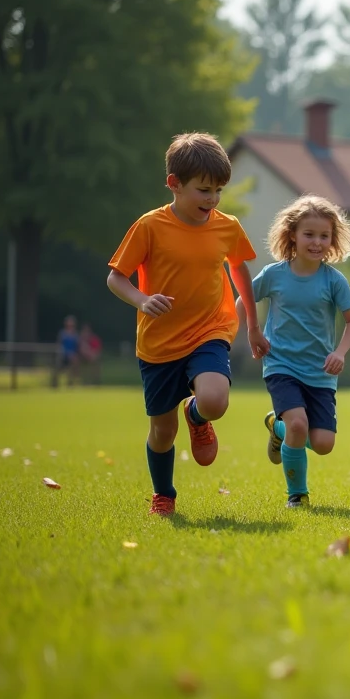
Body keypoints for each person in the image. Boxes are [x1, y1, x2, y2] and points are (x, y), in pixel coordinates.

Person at [108, 133, 265, 516]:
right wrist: (142, 300)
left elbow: (239, 269)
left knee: (214, 400)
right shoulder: (149, 226)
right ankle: (164, 493)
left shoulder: (226, 227)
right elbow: (116, 278)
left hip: (210, 331)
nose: (212, 199)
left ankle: (197, 415)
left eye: (219, 191)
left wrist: (252, 324)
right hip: (159, 344)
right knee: (163, 432)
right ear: (174, 184)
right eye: (204, 190)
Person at [244, 195, 350, 508]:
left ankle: (277, 426)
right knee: (299, 425)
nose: (317, 242)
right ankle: (297, 495)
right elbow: (244, 300)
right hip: (281, 365)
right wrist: (252, 331)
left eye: (324, 236)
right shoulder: (274, 274)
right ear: (292, 234)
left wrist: (340, 353)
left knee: (323, 443)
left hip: (320, 373)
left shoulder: (334, 281)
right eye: (309, 234)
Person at [55, 315, 81, 387]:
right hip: (63, 354)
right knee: (60, 365)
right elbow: (59, 345)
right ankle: (57, 382)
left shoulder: (75, 334)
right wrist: (67, 353)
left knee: (75, 361)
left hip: (73, 355)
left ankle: (72, 381)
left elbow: (77, 346)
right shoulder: (62, 333)